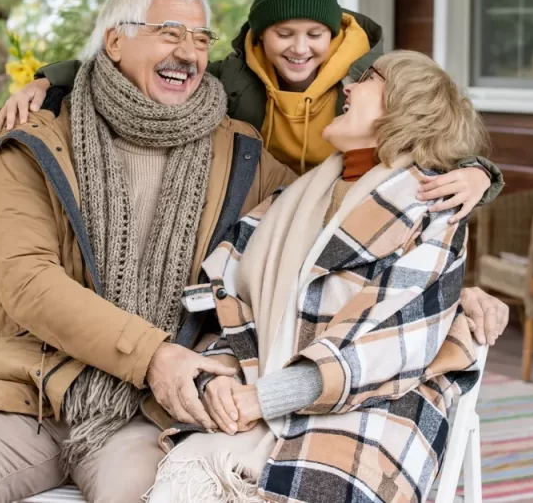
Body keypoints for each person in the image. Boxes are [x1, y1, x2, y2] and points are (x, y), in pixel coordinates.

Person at [0, 0, 508, 503]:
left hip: (150, 407)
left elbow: (331, 231)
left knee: (158, 492)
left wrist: (455, 291)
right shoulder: (38, 142)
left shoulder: (240, 152)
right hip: (30, 391)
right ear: (115, 41)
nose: (189, 52)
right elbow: (28, 282)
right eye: (170, 32)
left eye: (200, 39)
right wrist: (152, 355)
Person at [146, 50, 494, 503]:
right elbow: (234, 304)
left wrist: (263, 398)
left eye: (367, 78)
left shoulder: (432, 207)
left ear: (408, 105)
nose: (347, 87)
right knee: (183, 483)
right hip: (258, 389)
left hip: (379, 405)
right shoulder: (295, 197)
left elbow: (383, 346)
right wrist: (220, 379)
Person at [0, 0, 504, 222]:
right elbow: (140, 70)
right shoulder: (233, 78)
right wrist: (48, 81)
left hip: (352, 216)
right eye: (284, 33)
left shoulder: (369, 80)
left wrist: (481, 174)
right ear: (261, 35)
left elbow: (433, 127)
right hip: (270, 221)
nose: (299, 48)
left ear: (335, 30)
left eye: (314, 33)